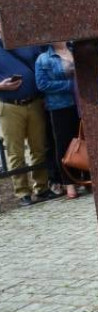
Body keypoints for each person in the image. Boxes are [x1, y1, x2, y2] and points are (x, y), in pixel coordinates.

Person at [0, 31, 56, 207]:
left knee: (38, 147)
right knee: (15, 151)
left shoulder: (25, 39)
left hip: (35, 101)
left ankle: (41, 187)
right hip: (10, 105)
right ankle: (22, 192)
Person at [35, 43, 85, 197]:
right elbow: (42, 84)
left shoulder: (76, 50)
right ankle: (69, 183)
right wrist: (70, 85)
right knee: (64, 145)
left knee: (84, 141)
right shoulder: (43, 59)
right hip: (59, 107)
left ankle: (88, 178)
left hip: (80, 103)